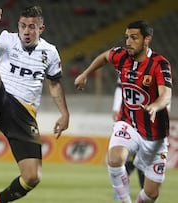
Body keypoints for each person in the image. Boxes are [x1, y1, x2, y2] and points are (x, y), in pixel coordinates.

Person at [0, 6, 70, 203]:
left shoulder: (50, 52)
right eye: (22, 26)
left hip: (24, 113)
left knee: (32, 177)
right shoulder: (7, 39)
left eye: (31, 27)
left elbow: (54, 84)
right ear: (18, 26)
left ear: (41, 29)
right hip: (0, 100)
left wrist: (64, 114)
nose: (26, 31)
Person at [75, 20, 172, 203]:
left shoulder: (160, 64)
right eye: (127, 37)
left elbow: (166, 95)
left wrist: (155, 106)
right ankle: (125, 200)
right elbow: (104, 56)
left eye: (134, 38)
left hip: (155, 134)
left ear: (146, 40)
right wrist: (85, 74)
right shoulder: (121, 56)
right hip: (128, 122)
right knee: (115, 158)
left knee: (152, 194)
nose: (128, 42)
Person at [112, 78, 144, 201]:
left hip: (145, 119)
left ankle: (144, 189)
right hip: (127, 119)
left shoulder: (156, 66)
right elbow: (120, 87)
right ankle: (122, 189)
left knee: (141, 157)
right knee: (125, 155)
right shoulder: (125, 64)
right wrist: (116, 108)